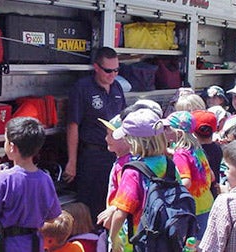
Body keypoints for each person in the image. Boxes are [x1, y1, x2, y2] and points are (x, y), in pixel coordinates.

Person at [64, 46, 126, 223]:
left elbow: (123, 122)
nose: (113, 75)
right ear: (96, 67)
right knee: (90, 207)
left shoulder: (117, 88)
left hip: (115, 155)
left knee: (113, 203)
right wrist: (72, 162)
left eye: (116, 70)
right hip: (92, 155)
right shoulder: (82, 88)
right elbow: (73, 125)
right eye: (108, 70)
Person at [0, 117, 61, 252]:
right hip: (34, 244)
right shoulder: (45, 179)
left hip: (7, 245)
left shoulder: (3, 178)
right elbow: (52, 217)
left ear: (12, 147)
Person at [108, 108, 172, 251]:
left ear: (134, 141)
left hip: (140, 237)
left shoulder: (133, 171)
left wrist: (113, 237)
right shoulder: (169, 164)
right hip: (166, 233)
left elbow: (121, 212)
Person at [161, 111, 214, 241]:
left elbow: (186, 182)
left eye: (167, 128)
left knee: (191, 245)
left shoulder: (180, 154)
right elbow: (211, 176)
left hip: (193, 208)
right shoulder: (197, 149)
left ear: (178, 132)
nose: (164, 131)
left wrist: (167, 192)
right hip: (208, 203)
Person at [192, 110, 223, 198]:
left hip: (200, 196)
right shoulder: (218, 148)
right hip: (214, 192)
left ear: (193, 131)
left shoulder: (194, 152)